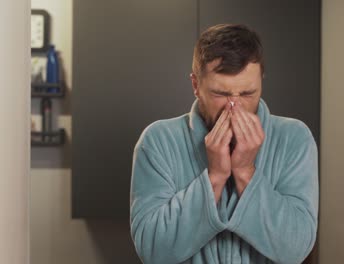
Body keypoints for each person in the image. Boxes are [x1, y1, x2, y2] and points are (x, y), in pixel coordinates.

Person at [130, 24, 319, 264]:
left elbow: (296, 249)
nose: (234, 107)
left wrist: (245, 171)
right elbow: (154, 251)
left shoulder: (294, 139)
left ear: (261, 82)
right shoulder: (157, 141)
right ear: (196, 85)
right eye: (221, 94)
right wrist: (215, 176)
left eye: (248, 93)